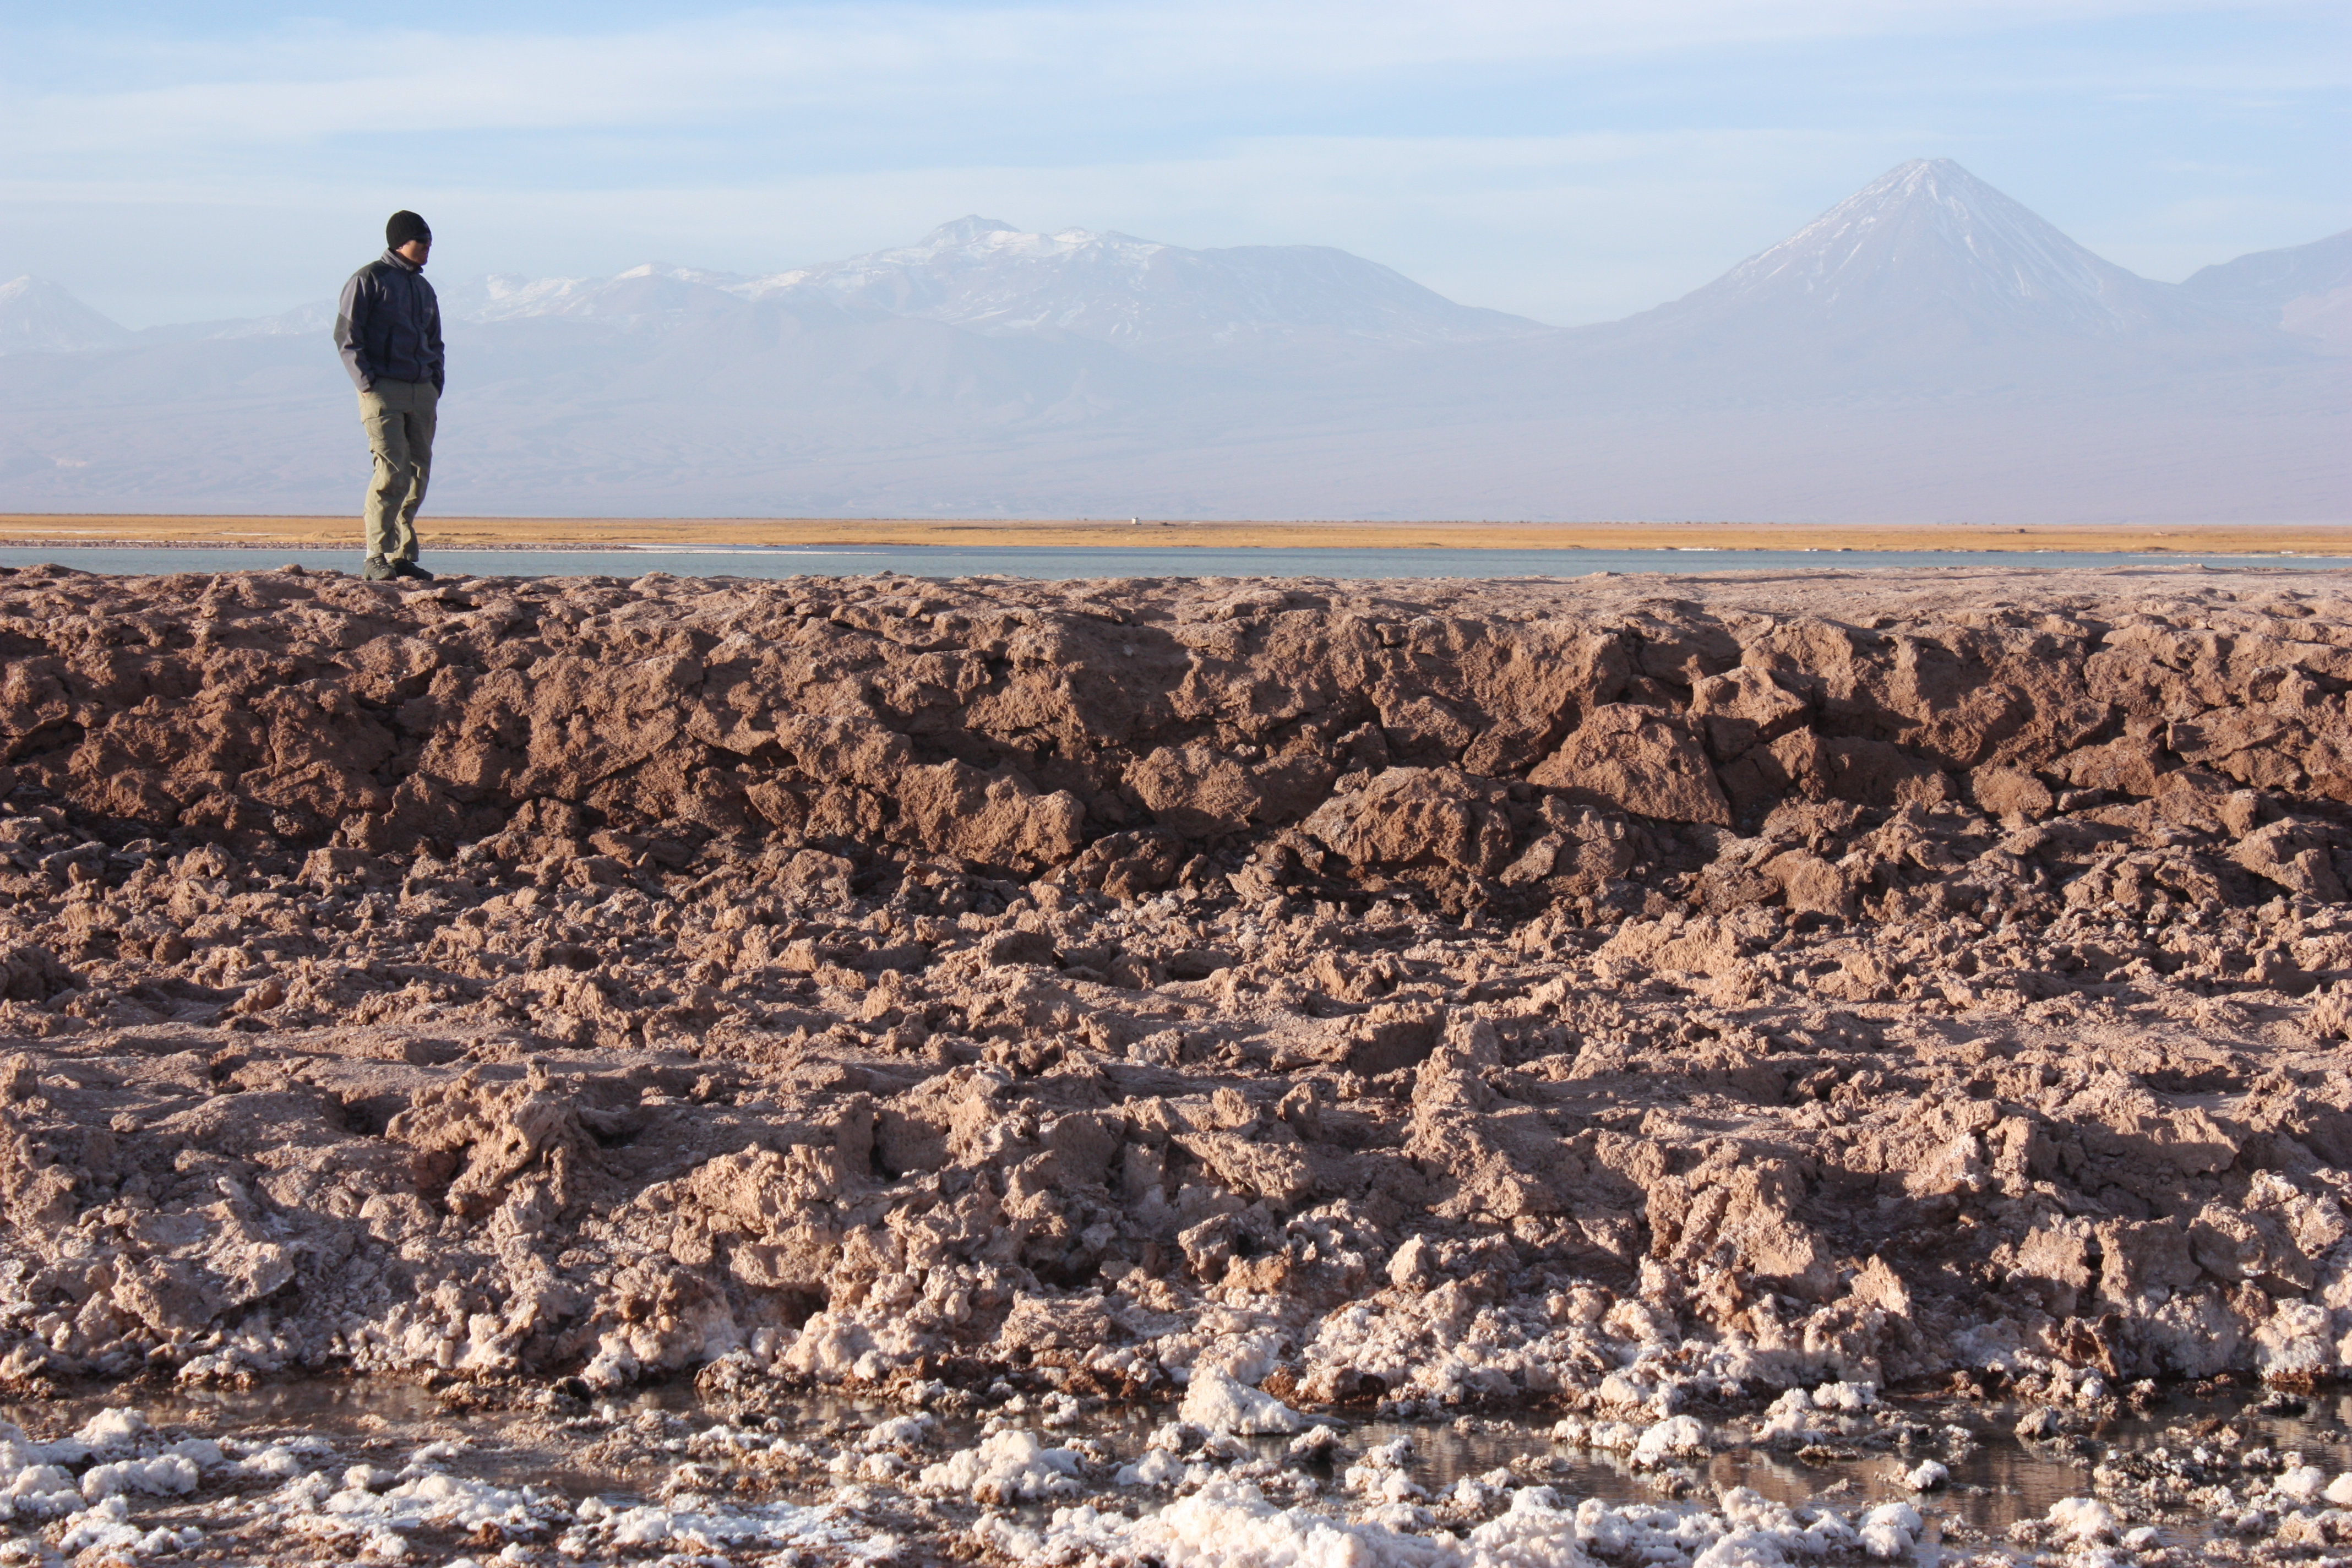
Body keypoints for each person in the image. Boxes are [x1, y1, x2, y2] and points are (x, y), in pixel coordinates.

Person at [334, 211, 444, 582]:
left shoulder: (424, 289)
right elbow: (347, 336)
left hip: (421, 390)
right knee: (391, 469)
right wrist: (367, 382)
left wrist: (434, 384)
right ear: (401, 242)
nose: (428, 249)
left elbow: (435, 341)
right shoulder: (368, 280)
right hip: (383, 389)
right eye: (421, 242)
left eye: (430, 242)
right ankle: (375, 555)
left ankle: (402, 556)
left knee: (417, 473)